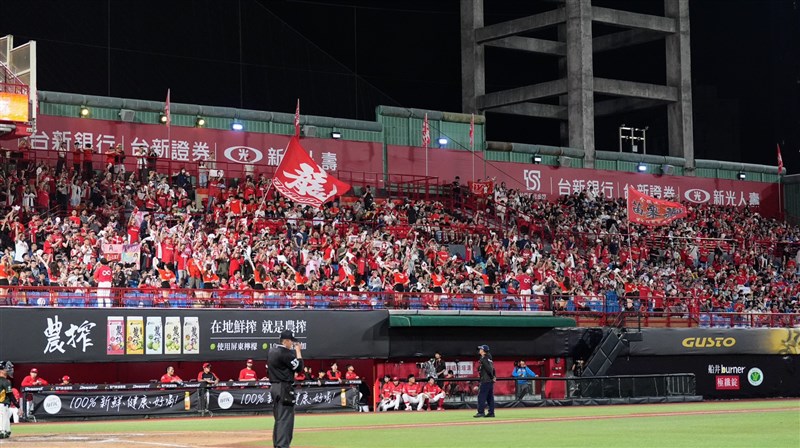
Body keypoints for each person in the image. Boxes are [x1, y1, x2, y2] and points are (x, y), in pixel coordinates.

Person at [267, 330, 304, 448]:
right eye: (291, 341)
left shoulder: (272, 351)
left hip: (274, 387)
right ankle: (282, 446)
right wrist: (298, 351)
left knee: (279, 418)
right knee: (285, 419)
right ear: (286, 341)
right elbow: (299, 368)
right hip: (284, 387)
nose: (292, 344)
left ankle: (278, 444)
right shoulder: (285, 353)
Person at [474, 344, 495, 418]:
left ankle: (481, 412)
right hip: (489, 380)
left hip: (485, 380)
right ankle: (491, 412)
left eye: (481, 349)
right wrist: (493, 376)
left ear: (483, 351)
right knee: (490, 397)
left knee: (481, 397)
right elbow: (493, 368)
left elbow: (489, 369)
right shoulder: (489, 358)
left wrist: (492, 377)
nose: (479, 350)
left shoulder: (484, 358)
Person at [0, 361, 20, 440]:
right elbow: (10, 395)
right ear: (1, 370)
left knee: (7, 430)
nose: (8, 370)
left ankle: (5, 431)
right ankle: (2, 431)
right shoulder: (6, 381)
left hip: (3, 405)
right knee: (2, 430)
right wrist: (18, 406)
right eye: (6, 368)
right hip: (2, 404)